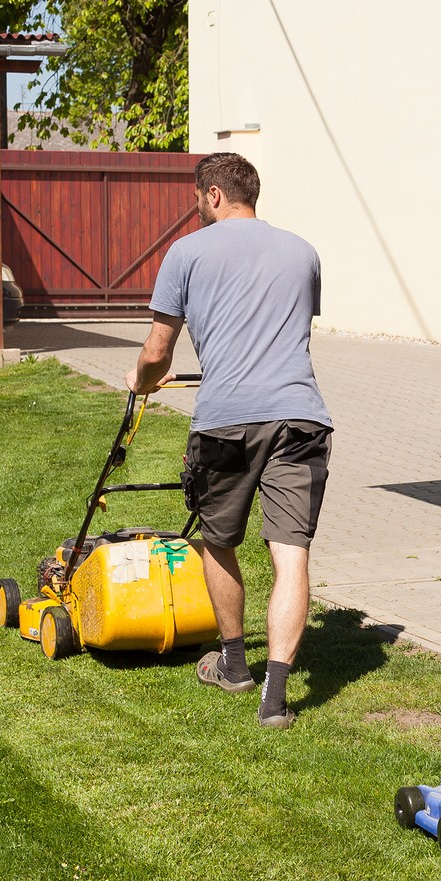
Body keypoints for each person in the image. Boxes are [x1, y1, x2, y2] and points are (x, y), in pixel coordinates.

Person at [127, 151, 332, 730]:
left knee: (217, 539)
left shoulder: (186, 252)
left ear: (213, 195)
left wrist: (141, 383)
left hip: (227, 421)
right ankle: (276, 698)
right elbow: (289, 330)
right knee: (292, 556)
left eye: (199, 198)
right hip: (302, 418)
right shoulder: (303, 251)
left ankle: (235, 665)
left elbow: (156, 351)